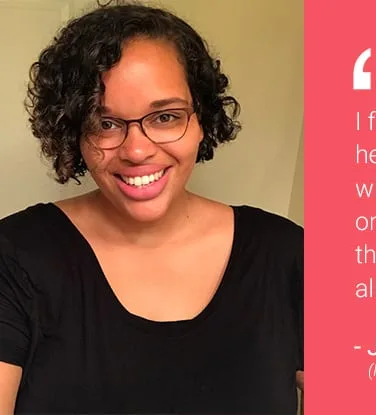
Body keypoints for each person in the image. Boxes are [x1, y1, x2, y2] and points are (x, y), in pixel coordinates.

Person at [0, 1, 303, 413]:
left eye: (165, 117)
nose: (137, 150)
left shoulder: (287, 254)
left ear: (201, 119)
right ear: (74, 130)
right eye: (105, 124)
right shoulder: (14, 256)